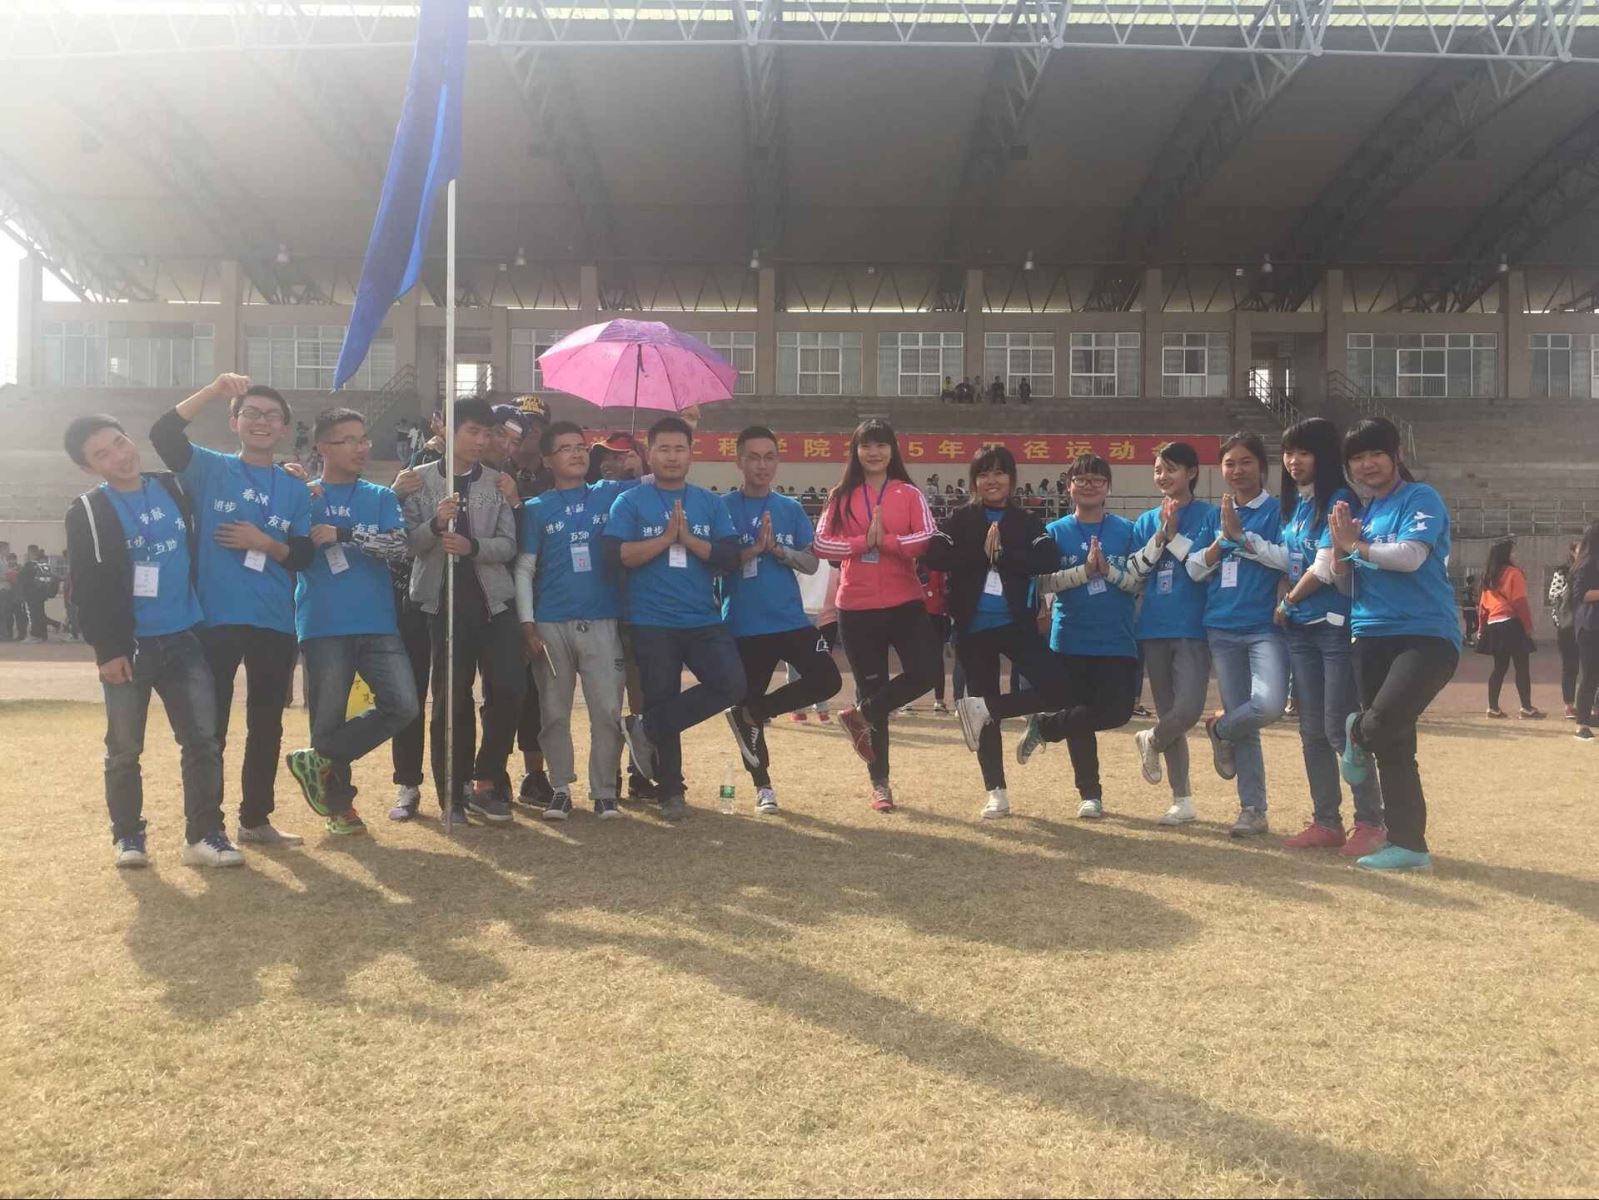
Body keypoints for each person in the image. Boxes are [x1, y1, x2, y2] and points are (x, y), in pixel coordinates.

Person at [63, 414, 239, 868]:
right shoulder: (88, 510)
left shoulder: (173, 486)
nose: (119, 456)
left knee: (203, 742)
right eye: (102, 454)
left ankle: (204, 836)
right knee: (124, 749)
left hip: (184, 636)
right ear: (88, 467)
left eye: (120, 442)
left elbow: (228, 491)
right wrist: (108, 650)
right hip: (130, 648)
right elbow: (86, 588)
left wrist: (297, 479)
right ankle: (128, 836)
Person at [150, 374, 311, 846]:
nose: (262, 422)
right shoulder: (209, 468)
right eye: (251, 413)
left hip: (275, 620)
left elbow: (303, 554)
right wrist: (213, 390)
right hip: (214, 618)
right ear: (234, 421)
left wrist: (265, 543)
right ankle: (207, 828)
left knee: (267, 724)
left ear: (284, 428)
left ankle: (255, 820)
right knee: (210, 727)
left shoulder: (295, 488)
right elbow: (163, 434)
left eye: (272, 416)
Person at [1328, 418, 1461, 870]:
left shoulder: (1420, 498)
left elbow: (1410, 557)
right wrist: (1341, 552)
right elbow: (1344, 583)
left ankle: (1355, 732)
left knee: (1380, 724)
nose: (1367, 465)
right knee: (1395, 745)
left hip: (1426, 634)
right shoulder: (1363, 515)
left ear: (1396, 455)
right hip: (1369, 633)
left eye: (1375, 454)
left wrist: (1355, 546)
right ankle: (1409, 846)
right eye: (1357, 458)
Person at [282, 409, 419, 835]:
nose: (361, 448)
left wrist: (345, 535)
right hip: (323, 623)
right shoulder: (303, 496)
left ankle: (319, 758)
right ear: (322, 447)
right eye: (349, 440)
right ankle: (340, 810)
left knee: (404, 704)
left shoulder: (379, 496)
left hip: (378, 622)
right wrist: (288, 485)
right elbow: (287, 546)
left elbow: (399, 547)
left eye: (364, 439)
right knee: (327, 718)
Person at [605, 416, 744, 820]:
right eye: (663, 449)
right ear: (649, 454)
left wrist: (689, 540)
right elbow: (616, 555)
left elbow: (730, 556)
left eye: (679, 448)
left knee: (732, 684)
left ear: (691, 454)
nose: (671, 456)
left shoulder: (709, 502)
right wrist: (665, 539)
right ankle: (671, 791)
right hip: (650, 620)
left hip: (702, 618)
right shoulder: (630, 501)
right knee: (662, 697)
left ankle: (645, 727)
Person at [400, 395, 526, 825]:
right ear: (447, 431)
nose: (480, 441)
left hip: (493, 602)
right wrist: (436, 525)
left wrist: (473, 547)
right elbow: (409, 544)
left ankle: (485, 778)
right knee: (451, 702)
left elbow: (508, 545)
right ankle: (451, 797)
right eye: (472, 431)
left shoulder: (497, 482)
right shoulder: (418, 480)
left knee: (508, 688)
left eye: (486, 433)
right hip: (441, 604)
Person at [1267, 418, 1385, 857]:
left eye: (1304, 452)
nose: (1293, 461)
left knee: (1340, 728)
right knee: (1312, 730)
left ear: (1324, 456)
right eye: (1288, 452)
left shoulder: (1339, 499)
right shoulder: (1298, 505)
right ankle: (1326, 822)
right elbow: (1288, 559)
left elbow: (1325, 567)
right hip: (1302, 631)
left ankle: (1370, 822)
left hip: (1333, 628)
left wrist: (1287, 602)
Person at [931, 446, 1066, 818]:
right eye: (984, 473)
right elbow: (934, 554)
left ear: (1012, 478)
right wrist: (980, 552)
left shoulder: (1026, 521)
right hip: (973, 629)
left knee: (1058, 687)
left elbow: (1048, 558)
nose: (992, 480)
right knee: (985, 715)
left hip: (1016, 625)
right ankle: (996, 792)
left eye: (1000, 472)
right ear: (974, 480)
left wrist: (1004, 555)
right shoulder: (961, 519)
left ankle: (985, 709)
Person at [813, 419, 940, 812]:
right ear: (855, 451)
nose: (874, 452)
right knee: (872, 689)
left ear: (892, 450)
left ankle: (860, 716)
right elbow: (821, 543)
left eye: (881, 445)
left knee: (928, 672)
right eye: (866, 445)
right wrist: (859, 543)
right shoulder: (841, 495)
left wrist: (885, 542)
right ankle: (880, 784)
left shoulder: (909, 493)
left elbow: (928, 538)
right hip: (857, 607)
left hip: (905, 601)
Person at [514, 421, 634, 820]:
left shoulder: (611, 494)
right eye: (565, 448)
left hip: (603, 620)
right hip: (551, 623)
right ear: (548, 460)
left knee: (607, 710)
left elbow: (654, 483)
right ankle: (560, 788)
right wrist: (527, 623)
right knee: (553, 712)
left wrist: (639, 461)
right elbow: (524, 568)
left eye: (581, 446)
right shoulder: (536, 508)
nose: (577, 453)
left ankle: (605, 792)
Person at [720, 426, 843, 812]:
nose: (762, 465)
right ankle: (764, 787)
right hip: (743, 625)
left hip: (790, 620)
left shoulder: (789, 508)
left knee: (828, 679)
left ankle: (753, 713)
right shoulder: (722, 508)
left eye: (769, 457)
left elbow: (810, 563)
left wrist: (777, 551)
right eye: (753, 457)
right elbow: (713, 563)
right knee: (748, 704)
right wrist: (750, 550)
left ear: (778, 460)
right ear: (739, 461)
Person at [1017, 453, 1140, 819]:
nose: (1089, 486)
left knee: (1117, 712)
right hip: (1070, 638)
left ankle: (1045, 726)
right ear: (1068, 486)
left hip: (1117, 638)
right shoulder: (1054, 532)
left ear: (1108, 487)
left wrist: (1109, 573)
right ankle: (1090, 794)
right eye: (1081, 479)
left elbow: (1138, 582)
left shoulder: (1127, 530)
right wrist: (1084, 573)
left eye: (1097, 479)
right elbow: (1041, 583)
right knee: (1080, 718)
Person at [1187, 432, 1289, 838]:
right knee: (1248, 726)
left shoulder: (1278, 512)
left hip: (1264, 627)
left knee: (1268, 706)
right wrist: (1222, 540)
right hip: (1221, 627)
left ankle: (1221, 728)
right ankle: (1252, 810)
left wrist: (1244, 539)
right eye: (1230, 463)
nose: (1238, 470)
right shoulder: (1216, 514)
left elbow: (1289, 560)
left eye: (1246, 461)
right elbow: (1195, 568)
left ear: (1262, 466)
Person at [1120, 442, 1217, 826]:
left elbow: (1204, 567)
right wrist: (1160, 535)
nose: (1163, 477)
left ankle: (1152, 739)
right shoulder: (1146, 520)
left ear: (1192, 472)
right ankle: (1182, 799)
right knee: (1167, 709)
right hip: (1153, 627)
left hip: (1193, 626)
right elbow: (1134, 571)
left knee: (1188, 709)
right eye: (1158, 470)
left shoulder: (1209, 515)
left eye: (1171, 469)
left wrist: (1174, 537)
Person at [1477, 538, 1544, 719]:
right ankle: (1526, 708)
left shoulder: (1488, 576)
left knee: (1499, 668)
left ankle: (1493, 708)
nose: (1515, 555)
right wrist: (1528, 626)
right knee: (1521, 666)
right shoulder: (1514, 573)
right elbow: (1520, 602)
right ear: (1506, 554)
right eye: (1513, 552)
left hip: (1494, 623)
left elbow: (1482, 607)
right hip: (1512, 623)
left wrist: (1481, 629)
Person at [1569, 521, 1599, 742]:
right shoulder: (1587, 562)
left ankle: (1593, 715)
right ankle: (1581, 725)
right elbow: (1580, 594)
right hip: (1590, 626)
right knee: (1589, 675)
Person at [1550, 542, 1580, 720]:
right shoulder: (1562, 572)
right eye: (1579, 550)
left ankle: (1593, 705)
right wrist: (1559, 622)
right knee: (1570, 666)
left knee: (1591, 666)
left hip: (1588, 625)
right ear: (1572, 552)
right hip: (1567, 626)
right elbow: (1554, 597)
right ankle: (1569, 705)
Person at [918, 563, 952, 715]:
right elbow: (944, 589)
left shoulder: (915, 561)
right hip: (936, 613)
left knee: (913, 656)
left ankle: (907, 702)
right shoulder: (938, 563)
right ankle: (939, 700)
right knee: (936, 659)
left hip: (918, 611)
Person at [19, 544, 56, 642]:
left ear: (30, 553)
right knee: (40, 614)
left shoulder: (29, 565)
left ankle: (35, 635)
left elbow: (23, 579)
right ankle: (43, 634)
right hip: (41, 594)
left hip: (31, 594)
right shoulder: (43, 565)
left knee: (34, 615)